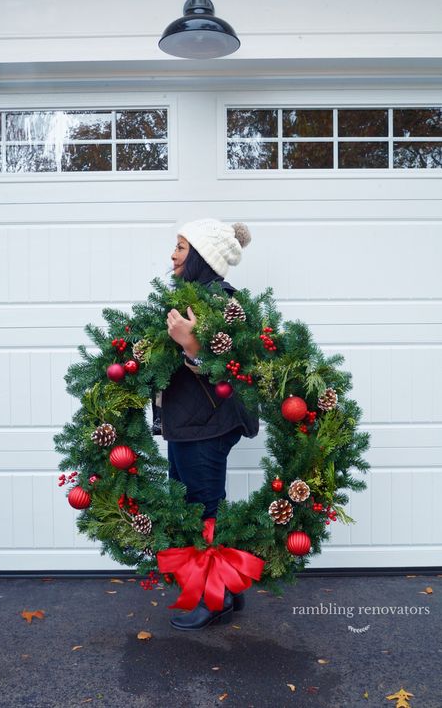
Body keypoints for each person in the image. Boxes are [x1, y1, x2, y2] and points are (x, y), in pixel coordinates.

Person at [157, 218, 259, 631]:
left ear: (200, 255)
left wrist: (191, 344)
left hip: (208, 425)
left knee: (204, 510)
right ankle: (230, 589)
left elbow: (234, 367)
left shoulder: (222, 303)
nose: (173, 254)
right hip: (186, 423)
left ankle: (212, 599)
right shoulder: (186, 299)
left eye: (181, 247)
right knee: (194, 504)